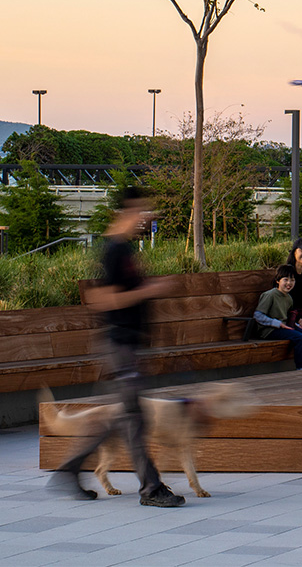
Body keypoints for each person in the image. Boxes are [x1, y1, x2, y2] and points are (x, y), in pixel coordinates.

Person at [49, 188, 186, 508]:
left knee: (124, 416)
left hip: (129, 344)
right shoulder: (112, 250)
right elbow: (102, 299)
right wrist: (149, 290)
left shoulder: (125, 249)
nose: (146, 218)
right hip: (119, 343)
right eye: (142, 211)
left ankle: (71, 469)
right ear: (126, 212)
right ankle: (151, 489)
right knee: (134, 417)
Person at [249, 265, 302, 369]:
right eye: (286, 280)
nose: (289, 283)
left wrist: (297, 325)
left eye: (292, 280)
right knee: (300, 338)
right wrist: (277, 323)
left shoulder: (289, 298)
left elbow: (288, 316)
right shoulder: (270, 295)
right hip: (270, 330)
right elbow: (258, 315)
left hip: (285, 326)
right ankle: (300, 368)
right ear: (278, 280)